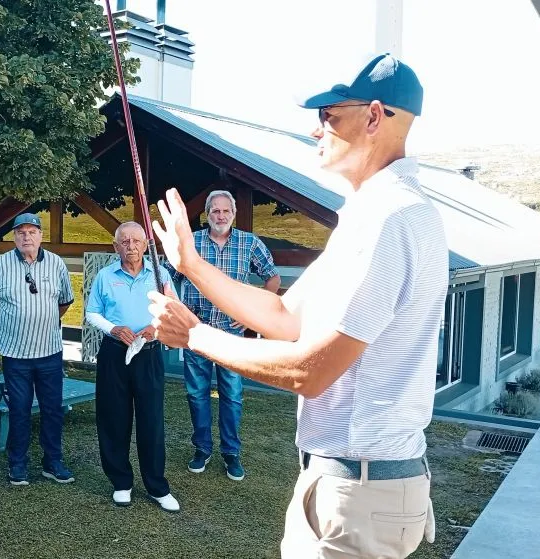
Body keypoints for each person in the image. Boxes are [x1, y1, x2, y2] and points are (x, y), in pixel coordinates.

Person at [147, 53, 445, 558]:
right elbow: (284, 317)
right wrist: (192, 264)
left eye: (328, 115)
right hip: (355, 485)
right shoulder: (374, 214)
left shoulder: (389, 219)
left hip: (357, 492)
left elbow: (312, 369)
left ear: (374, 117)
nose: (316, 130)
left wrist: (194, 334)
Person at [169, 190, 280, 481]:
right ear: (207, 214)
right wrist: (177, 309)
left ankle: (231, 453)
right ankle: (202, 449)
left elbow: (273, 277)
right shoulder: (190, 243)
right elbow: (167, 275)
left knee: (232, 395)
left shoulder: (249, 243)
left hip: (232, 335)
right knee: (197, 394)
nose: (220, 216)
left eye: (225, 211)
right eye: (215, 211)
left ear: (233, 214)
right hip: (197, 332)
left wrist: (252, 314)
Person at [85, 222, 179, 513]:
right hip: (114, 353)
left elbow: (173, 309)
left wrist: (155, 326)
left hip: (148, 354)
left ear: (144, 245)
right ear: (116, 247)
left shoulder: (159, 274)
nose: (131, 246)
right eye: (124, 241)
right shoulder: (104, 276)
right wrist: (113, 329)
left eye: (136, 241)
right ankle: (121, 482)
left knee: (151, 420)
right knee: (114, 418)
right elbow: (91, 313)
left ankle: (156, 486)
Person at [0, 213, 75, 486]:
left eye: (32, 232)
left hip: (49, 352)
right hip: (15, 354)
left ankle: (52, 462)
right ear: (14, 236)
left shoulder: (56, 264)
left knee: (52, 408)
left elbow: (65, 301)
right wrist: (12, 323)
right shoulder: (0, 266)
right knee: (19, 409)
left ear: (40, 235)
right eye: (20, 232)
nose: (26, 237)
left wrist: (43, 320)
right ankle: (17, 464)